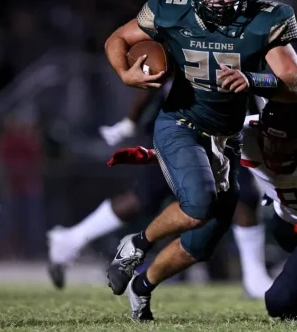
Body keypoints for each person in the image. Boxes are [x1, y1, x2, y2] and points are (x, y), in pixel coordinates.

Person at [104, 0, 297, 320]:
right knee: (197, 205)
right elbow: (117, 39)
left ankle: (142, 286)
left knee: (201, 242)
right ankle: (135, 243)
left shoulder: (266, 19)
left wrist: (254, 79)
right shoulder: (172, 7)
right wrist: (124, 72)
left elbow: (296, 85)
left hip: (227, 138)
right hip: (180, 122)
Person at [108, 91, 297, 321]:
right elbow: (198, 149)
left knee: (279, 304)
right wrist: (152, 155)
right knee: (206, 221)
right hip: (285, 223)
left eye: (285, 142)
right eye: (270, 139)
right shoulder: (248, 131)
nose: (273, 148)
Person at [47, 88, 273, 297]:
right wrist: (130, 121)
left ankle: (254, 275)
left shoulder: (239, 49)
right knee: (144, 198)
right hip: (182, 130)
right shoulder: (190, 46)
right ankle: (74, 238)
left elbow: (254, 83)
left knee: (244, 197)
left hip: (224, 132)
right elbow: (158, 73)